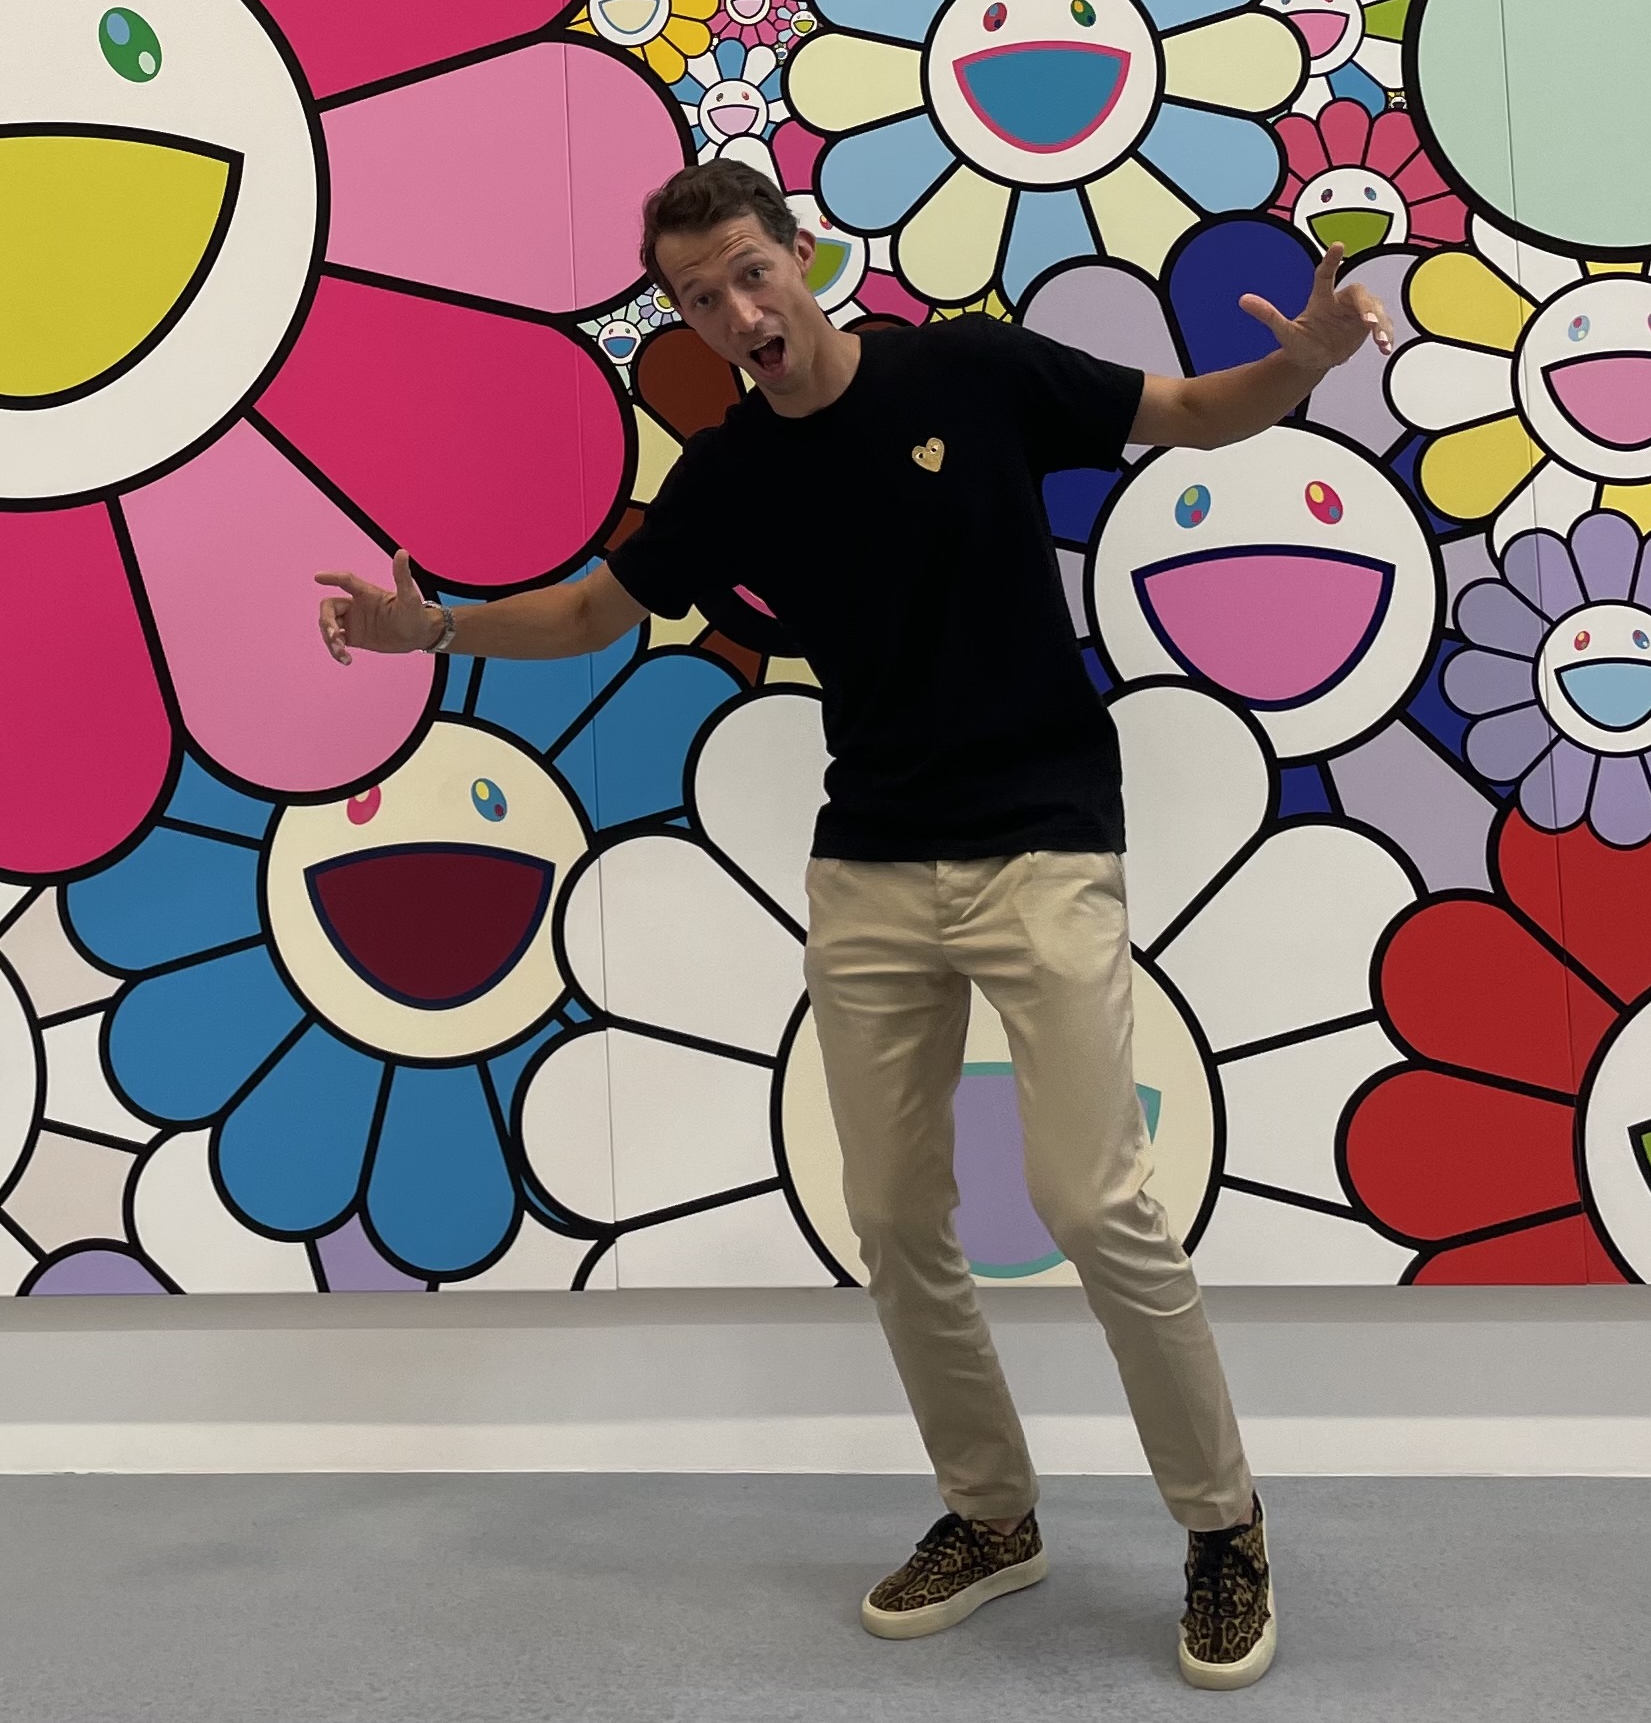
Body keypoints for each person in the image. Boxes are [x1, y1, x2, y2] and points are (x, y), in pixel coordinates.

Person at [317, 159, 1390, 1691]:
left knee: (1093, 1202)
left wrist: (1303, 364)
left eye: (751, 274)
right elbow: (592, 613)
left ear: (802, 256)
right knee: (891, 1216)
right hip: (872, 866)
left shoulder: (971, 370)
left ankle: (1224, 1527)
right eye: (701, 300)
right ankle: (992, 1514)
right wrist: (431, 629)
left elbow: (1192, 414)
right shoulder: (733, 474)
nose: (738, 313)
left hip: (1042, 842)